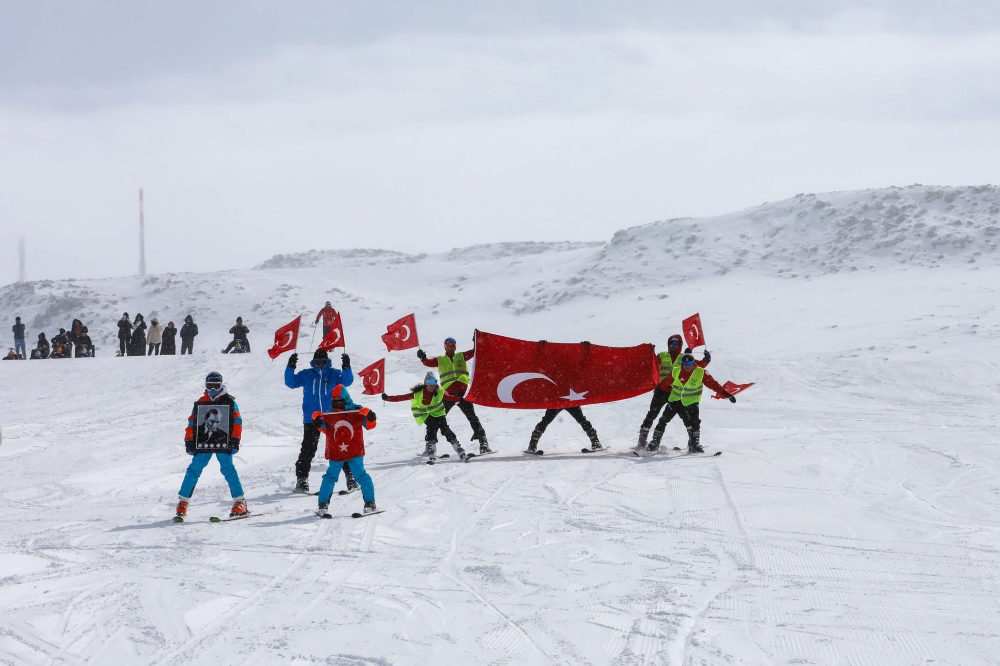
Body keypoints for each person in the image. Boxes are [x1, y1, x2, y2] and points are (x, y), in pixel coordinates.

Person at [175, 371, 247, 520]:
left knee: (227, 468)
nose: (213, 390)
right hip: (204, 442)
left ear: (221, 385)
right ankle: (183, 501)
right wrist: (189, 440)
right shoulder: (202, 402)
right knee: (194, 468)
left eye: (216, 386)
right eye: (210, 386)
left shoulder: (229, 402)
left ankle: (240, 502)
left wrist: (234, 439)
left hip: (223, 441)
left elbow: (237, 422)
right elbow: (192, 423)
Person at [284, 349, 356, 493]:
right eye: (318, 362)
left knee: (341, 447)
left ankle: (351, 477)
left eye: (323, 362)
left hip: (333, 416)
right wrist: (290, 366)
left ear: (327, 361)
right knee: (308, 449)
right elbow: (290, 383)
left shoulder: (335, 374)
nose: (320, 365)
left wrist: (346, 367)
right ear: (313, 362)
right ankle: (302, 479)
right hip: (312, 418)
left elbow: (347, 381)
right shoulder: (306, 374)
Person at [417, 336, 493, 454]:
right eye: (447, 346)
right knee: (437, 419)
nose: (450, 348)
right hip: (447, 394)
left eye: (452, 346)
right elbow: (428, 362)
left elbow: (475, 352)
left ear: (455, 346)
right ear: (444, 347)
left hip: (462, 393)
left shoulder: (461, 356)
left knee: (472, 417)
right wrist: (422, 358)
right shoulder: (441, 359)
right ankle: (430, 445)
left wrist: (476, 341)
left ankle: (483, 443)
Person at [312, 384, 379, 517]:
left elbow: (370, 426)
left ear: (346, 398)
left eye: (339, 400)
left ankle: (370, 503)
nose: (337, 403)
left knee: (361, 475)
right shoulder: (330, 414)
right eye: (334, 400)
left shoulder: (357, 410)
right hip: (336, 450)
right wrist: (318, 423)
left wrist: (371, 416)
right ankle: (322, 505)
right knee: (330, 476)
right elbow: (328, 431)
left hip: (354, 449)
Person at [636, 335, 710, 452]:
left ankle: (693, 443)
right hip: (661, 391)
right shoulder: (662, 356)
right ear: (668, 344)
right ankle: (642, 440)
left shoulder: (683, 357)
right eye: (671, 343)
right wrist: (648, 354)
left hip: (676, 394)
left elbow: (695, 367)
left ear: (680, 345)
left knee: (687, 419)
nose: (673, 346)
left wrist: (706, 361)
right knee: (652, 415)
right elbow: (650, 366)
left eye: (676, 344)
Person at [656, 353, 736, 453]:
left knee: (694, 423)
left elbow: (714, 385)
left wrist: (727, 395)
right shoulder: (676, 370)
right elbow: (666, 382)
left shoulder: (701, 372)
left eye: (689, 363)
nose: (687, 366)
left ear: (693, 363)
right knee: (663, 420)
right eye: (685, 363)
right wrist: (658, 388)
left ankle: (694, 444)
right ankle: (655, 442)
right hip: (675, 400)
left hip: (691, 402)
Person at [383, 372, 469, 460]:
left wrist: (462, 399)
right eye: (430, 384)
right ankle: (431, 450)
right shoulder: (418, 394)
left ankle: (458, 449)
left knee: (445, 429)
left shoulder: (439, 391)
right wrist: (388, 398)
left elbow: (450, 397)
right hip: (425, 415)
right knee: (432, 428)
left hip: (439, 414)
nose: (432, 387)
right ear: (425, 385)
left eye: (434, 384)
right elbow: (402, 397)